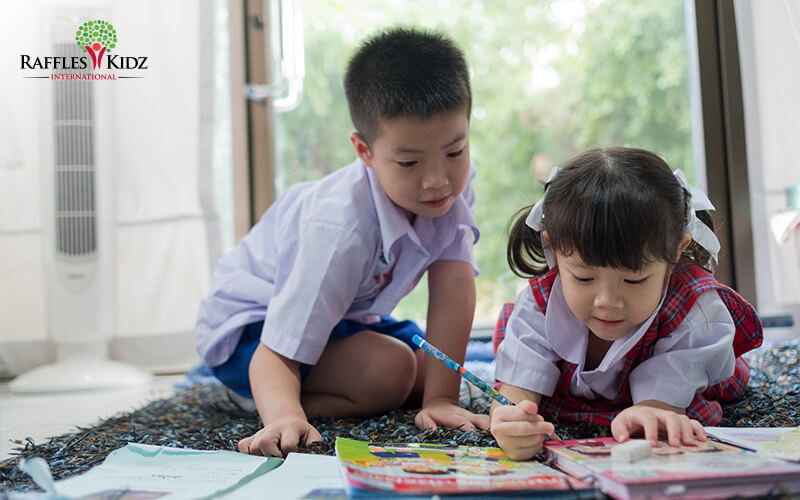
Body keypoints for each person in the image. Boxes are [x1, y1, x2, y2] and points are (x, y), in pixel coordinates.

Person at [195, 27, 489, 458]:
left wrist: (441, 399)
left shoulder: (452, 187)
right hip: (250, 334)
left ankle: (325, 386)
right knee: (392, 371)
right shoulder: (340, 229)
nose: (437, 180)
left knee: (433, 373)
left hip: (344, 319)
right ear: (363, 150)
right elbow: (276, 347)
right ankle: (259, 399)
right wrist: (282, 416)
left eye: (455, 151)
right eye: (408, 162)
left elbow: (454, 284)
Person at [489, 147, 763, 460]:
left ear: (676, 251)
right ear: (553, 246)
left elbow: (661, 411)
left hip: (683, 378)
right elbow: (514, 391)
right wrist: (508, 421)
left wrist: (651, 412)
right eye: (583, 278)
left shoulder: (693, 311)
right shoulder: (541, 303)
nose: (607, 302)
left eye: (633, 281)